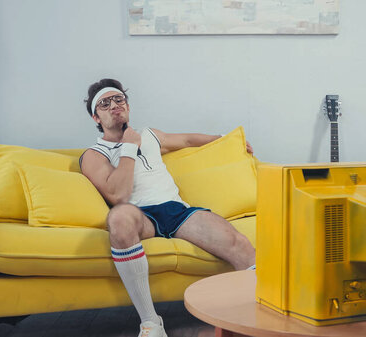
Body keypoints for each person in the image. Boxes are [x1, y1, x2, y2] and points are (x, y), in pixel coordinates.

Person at [80, 79, 256, 337]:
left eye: (119, 99)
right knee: (119, 217)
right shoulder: (94, 154)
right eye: (105, 104)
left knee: (239, 244)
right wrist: (129, 146)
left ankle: (258, 319)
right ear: (96, 117)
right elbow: (118, 194)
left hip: (176, 211)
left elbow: (185, 139)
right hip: (140, 216)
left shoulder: (150, 135)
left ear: (127, 105)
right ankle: (151, 323)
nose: (115, 105)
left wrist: (225, 140)